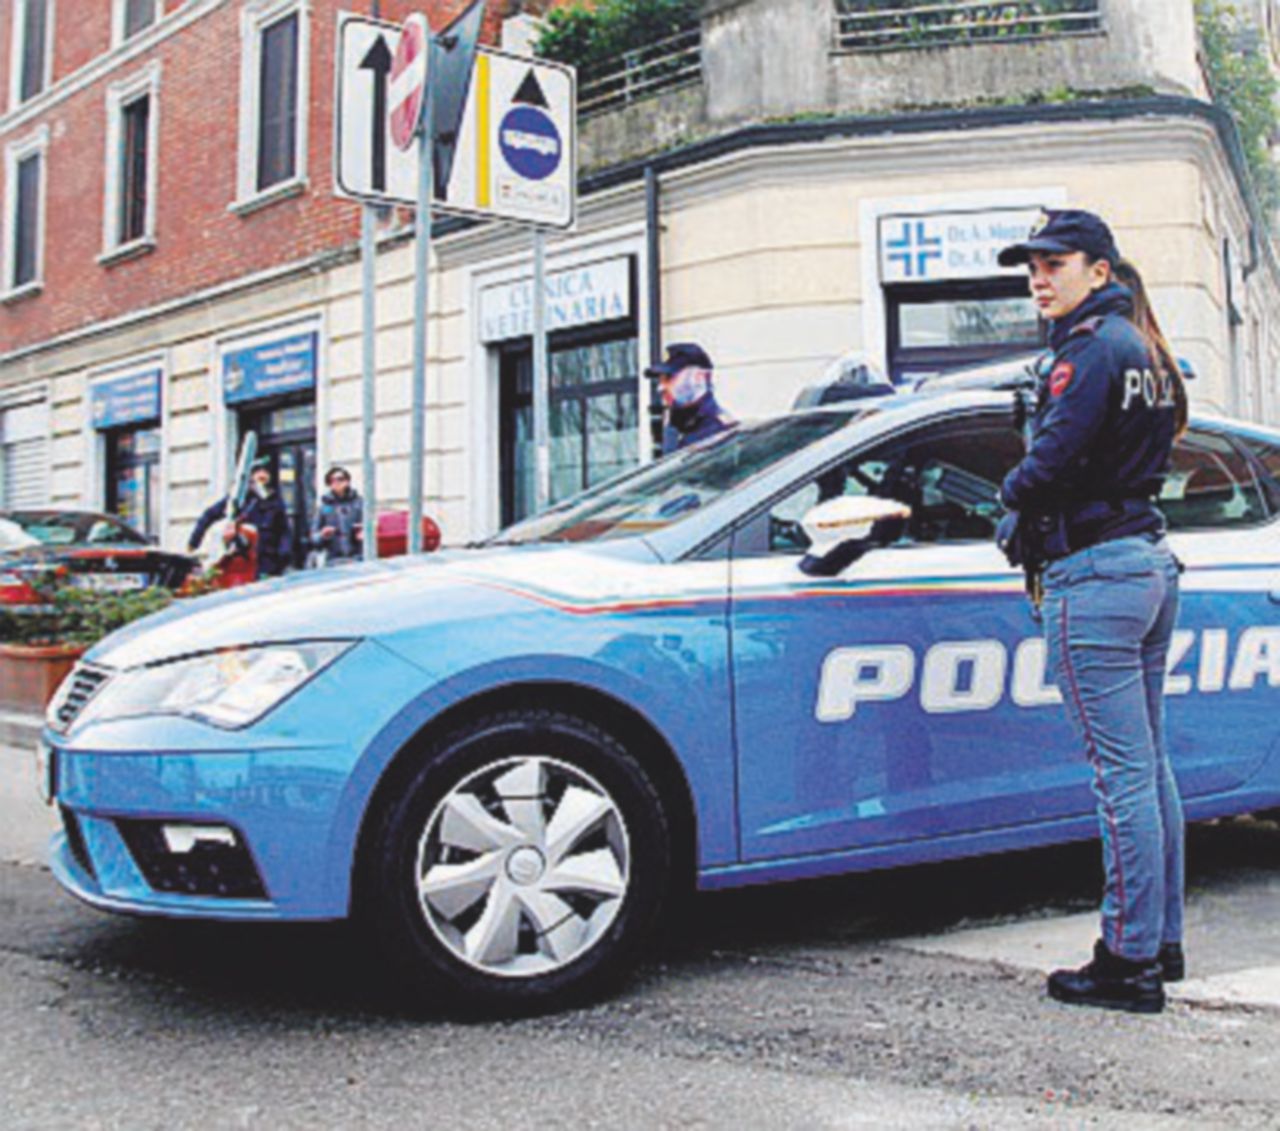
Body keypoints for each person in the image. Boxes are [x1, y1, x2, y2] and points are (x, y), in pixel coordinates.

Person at [996, 209, 1189, 1014]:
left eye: (1056, 263)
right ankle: (1160, 940)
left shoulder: (1090, 349)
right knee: (1148, 769)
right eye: (1032, 266)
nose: (1040, 277)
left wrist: (1006, 497)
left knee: (1121, 780)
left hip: (1097, 574)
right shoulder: (1143, 347)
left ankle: (1128, 961)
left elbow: (1050, 461)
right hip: (1143, 561)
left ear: (1099, 271)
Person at [188, 462, 292, 579]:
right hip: (243, 560)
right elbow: (209, 515)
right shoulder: (241, 499)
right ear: (251, 477)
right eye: (258, 472)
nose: (262, 475)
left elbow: (284, 530)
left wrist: (283, 555)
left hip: (267, 561)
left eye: (265, 472)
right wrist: (194, 541)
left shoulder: (275, 500)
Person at [644, 342, 736, 454]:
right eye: (660, 380)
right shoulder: (675, 425)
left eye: (668, 378)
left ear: (698, 378)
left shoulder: (718, 432)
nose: (660, 388)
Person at [311, 466, 364, 565]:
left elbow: (373, 527)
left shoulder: (359, 503)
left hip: (358, 557)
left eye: (340, 479)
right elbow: (314, 537)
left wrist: (364, 532)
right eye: (332, 480)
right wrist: (323, 535)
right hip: (334, 559)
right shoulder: (324, 507)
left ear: (347, 481)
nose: (336, 483)